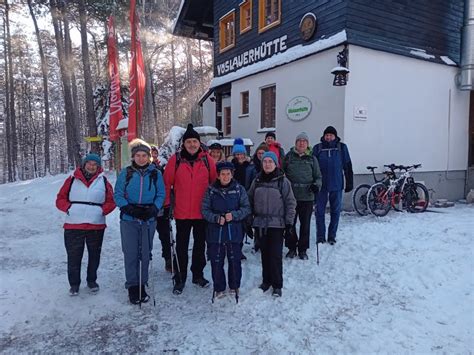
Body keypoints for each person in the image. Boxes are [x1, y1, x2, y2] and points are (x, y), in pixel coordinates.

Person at [164, 123, 217, 294]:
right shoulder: (176, 160)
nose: (192, 145)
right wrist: (166, 205)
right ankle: (180, 277)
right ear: (184, 144)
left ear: (199, 143)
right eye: (189, 142)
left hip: (202, 212)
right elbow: (167, 184)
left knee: (200, 245)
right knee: (181, 246)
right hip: (182, 212)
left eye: (195, 141)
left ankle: (198, 274)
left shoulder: (207, 161)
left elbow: (214, 184)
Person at [56, 153, 116, 296]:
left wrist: (102, 211)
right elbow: (60, 199)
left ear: (98, 167)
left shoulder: (104, 182)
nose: (91, 166)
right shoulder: (71, 180)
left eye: (95, 164)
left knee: (94, 255)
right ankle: (74, 284)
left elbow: (111, 201)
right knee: (74, 256)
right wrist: (69, 208)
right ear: (84, 165)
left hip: (96, 225)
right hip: (73, 225)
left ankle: (91, 280)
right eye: (89, 164)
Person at [114, 139, 165, 304]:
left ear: (149, 157)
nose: (141, 158)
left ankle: (142, 283)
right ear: (133, 157)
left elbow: (161, 194)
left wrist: (154, 209)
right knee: (130, 253)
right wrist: (128, 208)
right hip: (129, 218)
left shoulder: (155, 173)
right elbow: (118, 194)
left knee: (144, 253)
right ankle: (132, 286)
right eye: (138, 155)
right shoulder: (126, 173)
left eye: (144, 155)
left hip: (148, 217)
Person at [247, 151, 296, 297]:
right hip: (260, 223)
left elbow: (290, 202)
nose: (267, 164)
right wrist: (249, 221)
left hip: (277, 224)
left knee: (275, 255)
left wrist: (289, 223)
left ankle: (277, 284)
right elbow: (249, 200)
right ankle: (266, 281)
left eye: (270, 161)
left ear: (276, 164)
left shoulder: (283, 181)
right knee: (264, 254)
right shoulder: (256, 180)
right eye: (265, 161)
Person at [201, 161, 251, 301]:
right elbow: (205, 210)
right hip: (215, 231)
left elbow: (246, 208)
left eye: (228, 173)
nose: (225, 176)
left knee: (234, 259)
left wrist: (234, 215)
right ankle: (219, 287)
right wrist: (216, 218)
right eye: (222, 174)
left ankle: (234, 285)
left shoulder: (239, 189)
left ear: (232, 174)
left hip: (233, 230)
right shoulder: (211, 190)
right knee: (216, 260)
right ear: (218, 175)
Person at [282, 132, 322, 260]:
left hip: (307, 197)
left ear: (307, 144)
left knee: (305, 225)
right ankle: (291, 248)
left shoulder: (312, 159)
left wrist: (316, 185)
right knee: (290, 224)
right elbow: (281, 174)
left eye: (304, 141)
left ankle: (303, 249)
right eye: (299, 140)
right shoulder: (289, 157)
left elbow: (318, 176)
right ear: (296, 143)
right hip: (291, 197)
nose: (302, 143)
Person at [313, 126, 353, 245]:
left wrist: (349, 182)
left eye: (331, 135)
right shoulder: (318, 148)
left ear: (335, 136)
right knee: (319, 211)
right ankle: (320, 236)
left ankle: (332, 236)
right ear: (324, 136)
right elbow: (312, 166)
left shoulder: (341, 147)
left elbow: (347, 165)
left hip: (336, 184)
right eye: (327, 135)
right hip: (321, 186)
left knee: (335, 211)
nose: (329, 137)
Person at [231, 138, 253, 260]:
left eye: (241, 154)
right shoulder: (230, 166)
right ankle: (232, 249)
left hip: (245, 198)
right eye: (237, 154)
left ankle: (238, 249)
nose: (239, 156)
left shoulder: (250, 167)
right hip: (232, 198)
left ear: (245, 154)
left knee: (243, 225)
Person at [151, 145, 172, 272]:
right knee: (145, 237)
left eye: (154, 153)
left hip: (161, 209)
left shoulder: (161, 169)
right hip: (146, 209)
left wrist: (168, 205)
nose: (153, 155)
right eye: (151, 153)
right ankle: (145, 259)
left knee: (165, 236)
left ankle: (168, 259)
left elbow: (167, 187)